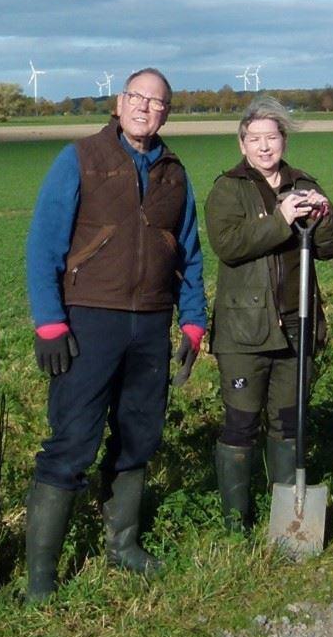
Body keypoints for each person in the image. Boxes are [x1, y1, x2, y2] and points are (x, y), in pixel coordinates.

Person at [23, 68, 207, 602]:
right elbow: (43, 246)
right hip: (88, 322)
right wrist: (50, 321)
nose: (146, 108)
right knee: (72, 441)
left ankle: (121, 546)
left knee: (138, 437)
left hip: (150, 323)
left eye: (158, 102)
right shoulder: (79, 158)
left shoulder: (174, 172)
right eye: (137, 98)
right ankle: (41, 579)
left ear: (167, 112)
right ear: (119, 102)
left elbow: (189, 253)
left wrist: (193, 321)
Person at [203, 98, 333, 529]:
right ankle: (235, 523)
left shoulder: (303, 182)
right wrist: (282, 218)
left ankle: (287, 519)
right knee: (241, 422)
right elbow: (228, 244)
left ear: (284, 140)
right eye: (255, 139)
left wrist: (321, 216)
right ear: (242, 144)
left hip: (296, 324)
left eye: (273, 137)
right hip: (244, 329)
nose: (265, 147)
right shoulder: (228, 188)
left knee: (288, 423)